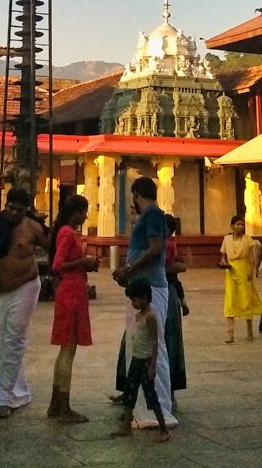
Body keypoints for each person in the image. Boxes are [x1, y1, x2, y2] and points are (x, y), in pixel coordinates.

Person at [0, 186, 48, 419]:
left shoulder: (33, 227)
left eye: (19, 210)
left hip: (25, 285)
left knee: (14, 338)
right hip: (0, 290)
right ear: (6, 206)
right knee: (0, 340)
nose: (14, 213)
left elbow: (54, 246)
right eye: (11, 208)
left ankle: (3, 397)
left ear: (26, 210)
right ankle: (16, 390)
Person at [111, 177, 177, 428]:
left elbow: (155, 249)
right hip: (143, 285)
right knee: (139, 346)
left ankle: (155, 410)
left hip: (151, 286)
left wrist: (129, 269)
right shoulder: (152, 216)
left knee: (151, 347)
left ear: (137, 194)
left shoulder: (152, 215)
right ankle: (141, 407)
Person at [47, 194, 98, 423]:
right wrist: (82, 262)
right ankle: (64, 406)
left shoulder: (63, 231)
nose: (86, 216)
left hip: (69, 291)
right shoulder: (67, 232)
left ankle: (56, 403)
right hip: (71, 292)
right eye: (84, 211)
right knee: (68, 350)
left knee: (64, 350)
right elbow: (58, 265)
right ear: (76, 212)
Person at [111, 280, 170, 443]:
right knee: (130, 393)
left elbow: (154, 341)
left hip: (145, 362)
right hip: (136, 361)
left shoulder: (150, 316)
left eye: (135, 300)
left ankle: (164, 429)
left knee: (151, 396)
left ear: (145, 298)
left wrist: (153, 365)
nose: (133, 303)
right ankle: (126, 426)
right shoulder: (138, 316)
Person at [218, 214, 262, 342]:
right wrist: (224, 263)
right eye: (237, 224)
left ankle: (249, 330)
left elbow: (251, 257)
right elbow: (223, 256)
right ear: (232, 226)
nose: (240, 226)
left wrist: (251, 271)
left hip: (244, 270)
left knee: (246, 299)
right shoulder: (226, 239)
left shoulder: (248, 240)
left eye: (242, 224)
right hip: (231, 271)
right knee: (230, 300)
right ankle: (230, 334)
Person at [163, 214, 187, 405]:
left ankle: (168, 390)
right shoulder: (166, 245)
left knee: (168, 341)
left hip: (166, 293)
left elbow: (179, 269)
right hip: (163, 292)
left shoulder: (167, 245)